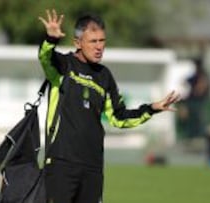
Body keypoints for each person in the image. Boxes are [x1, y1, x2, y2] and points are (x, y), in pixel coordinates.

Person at [38, 9, 180, 203]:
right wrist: (50, 39)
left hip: (93, 167)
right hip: (61, 163)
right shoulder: (63, 66)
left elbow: (119, 117)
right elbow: (45, 57)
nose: (99, 47)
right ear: (78, 43)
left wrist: (152, 108)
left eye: (102, 41)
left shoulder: (105, 77)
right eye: (93, 41)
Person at [184, 58, 210, 139]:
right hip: (193, 100)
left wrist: (198, 90)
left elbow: (201, 87)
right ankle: (193, 135)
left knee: (198, 119)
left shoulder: (202, 75)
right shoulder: (196, 75)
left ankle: (198, 136)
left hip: (198, 101)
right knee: (193, 120)